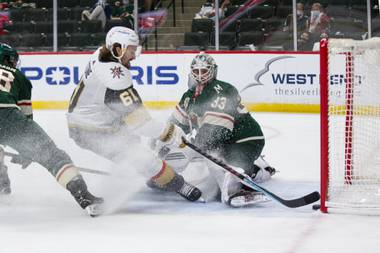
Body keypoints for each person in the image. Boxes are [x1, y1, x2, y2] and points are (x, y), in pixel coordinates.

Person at [66, 26, 202, 203]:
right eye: (131, 49)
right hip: (90, 129)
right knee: (139, 156)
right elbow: (141, 123)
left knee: (134, 144)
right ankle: (177, 184)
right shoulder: (114, 78)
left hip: (94, 120)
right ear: (117, 48)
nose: (134, 55)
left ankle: (153, 173)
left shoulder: (102, 53)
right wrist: (171, 133)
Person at [156, 53, 276, 207]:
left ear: (213, 71)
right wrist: (160, 139)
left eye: (204, 71)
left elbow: (217, 130)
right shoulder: (189, 96)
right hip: (223, 141)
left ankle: (245, 183)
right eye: (196, 71)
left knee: (227, 172)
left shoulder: (222, 90)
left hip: (245, 140)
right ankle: (256, 168)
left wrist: (196, 145)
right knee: (208, 162)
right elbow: (177, 124)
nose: (200, 75)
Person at [0, 43, 103, 216]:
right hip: (7, 115)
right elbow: (25, 118)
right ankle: (85, 198)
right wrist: (27, 151)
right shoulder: (18, 76)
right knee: (53, 156)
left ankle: (2, 186)